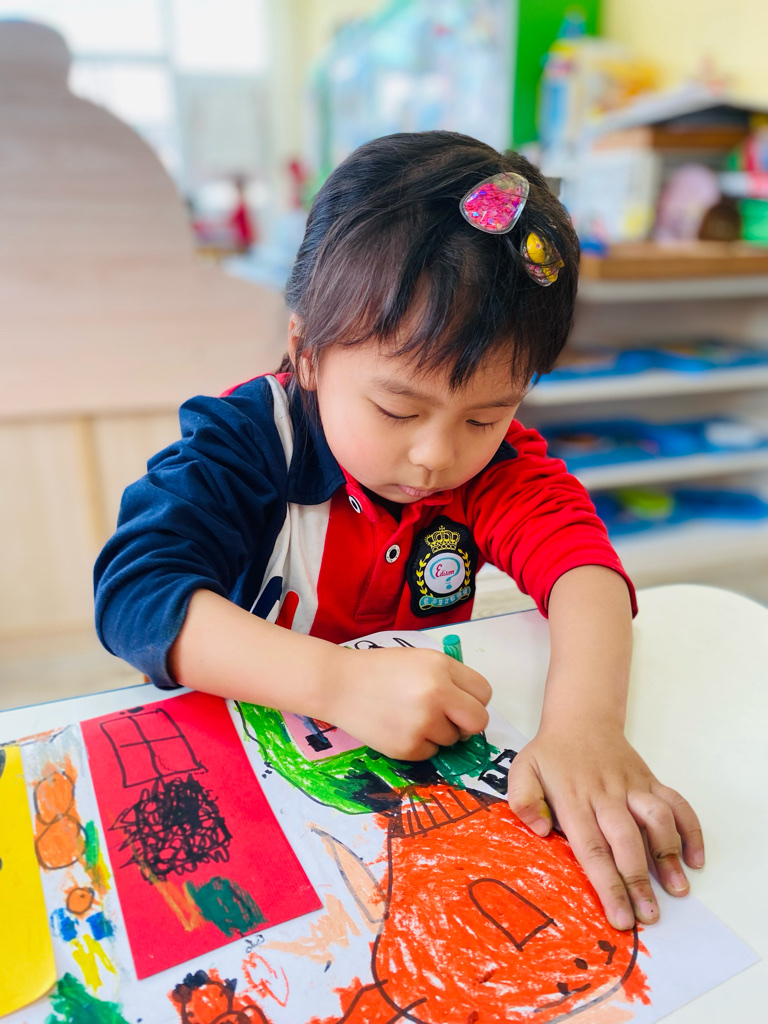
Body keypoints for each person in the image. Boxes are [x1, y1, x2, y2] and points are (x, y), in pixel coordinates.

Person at [94, 130, 703, 933]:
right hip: (239, 765)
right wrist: (338, 683)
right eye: (396, 409)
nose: (436, 456)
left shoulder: (493, 467)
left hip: (405, 793)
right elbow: (136, 596)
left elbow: (582, 567)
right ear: (308, 355)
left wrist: (584, 724)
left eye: (485, 416)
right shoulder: (246, 443)